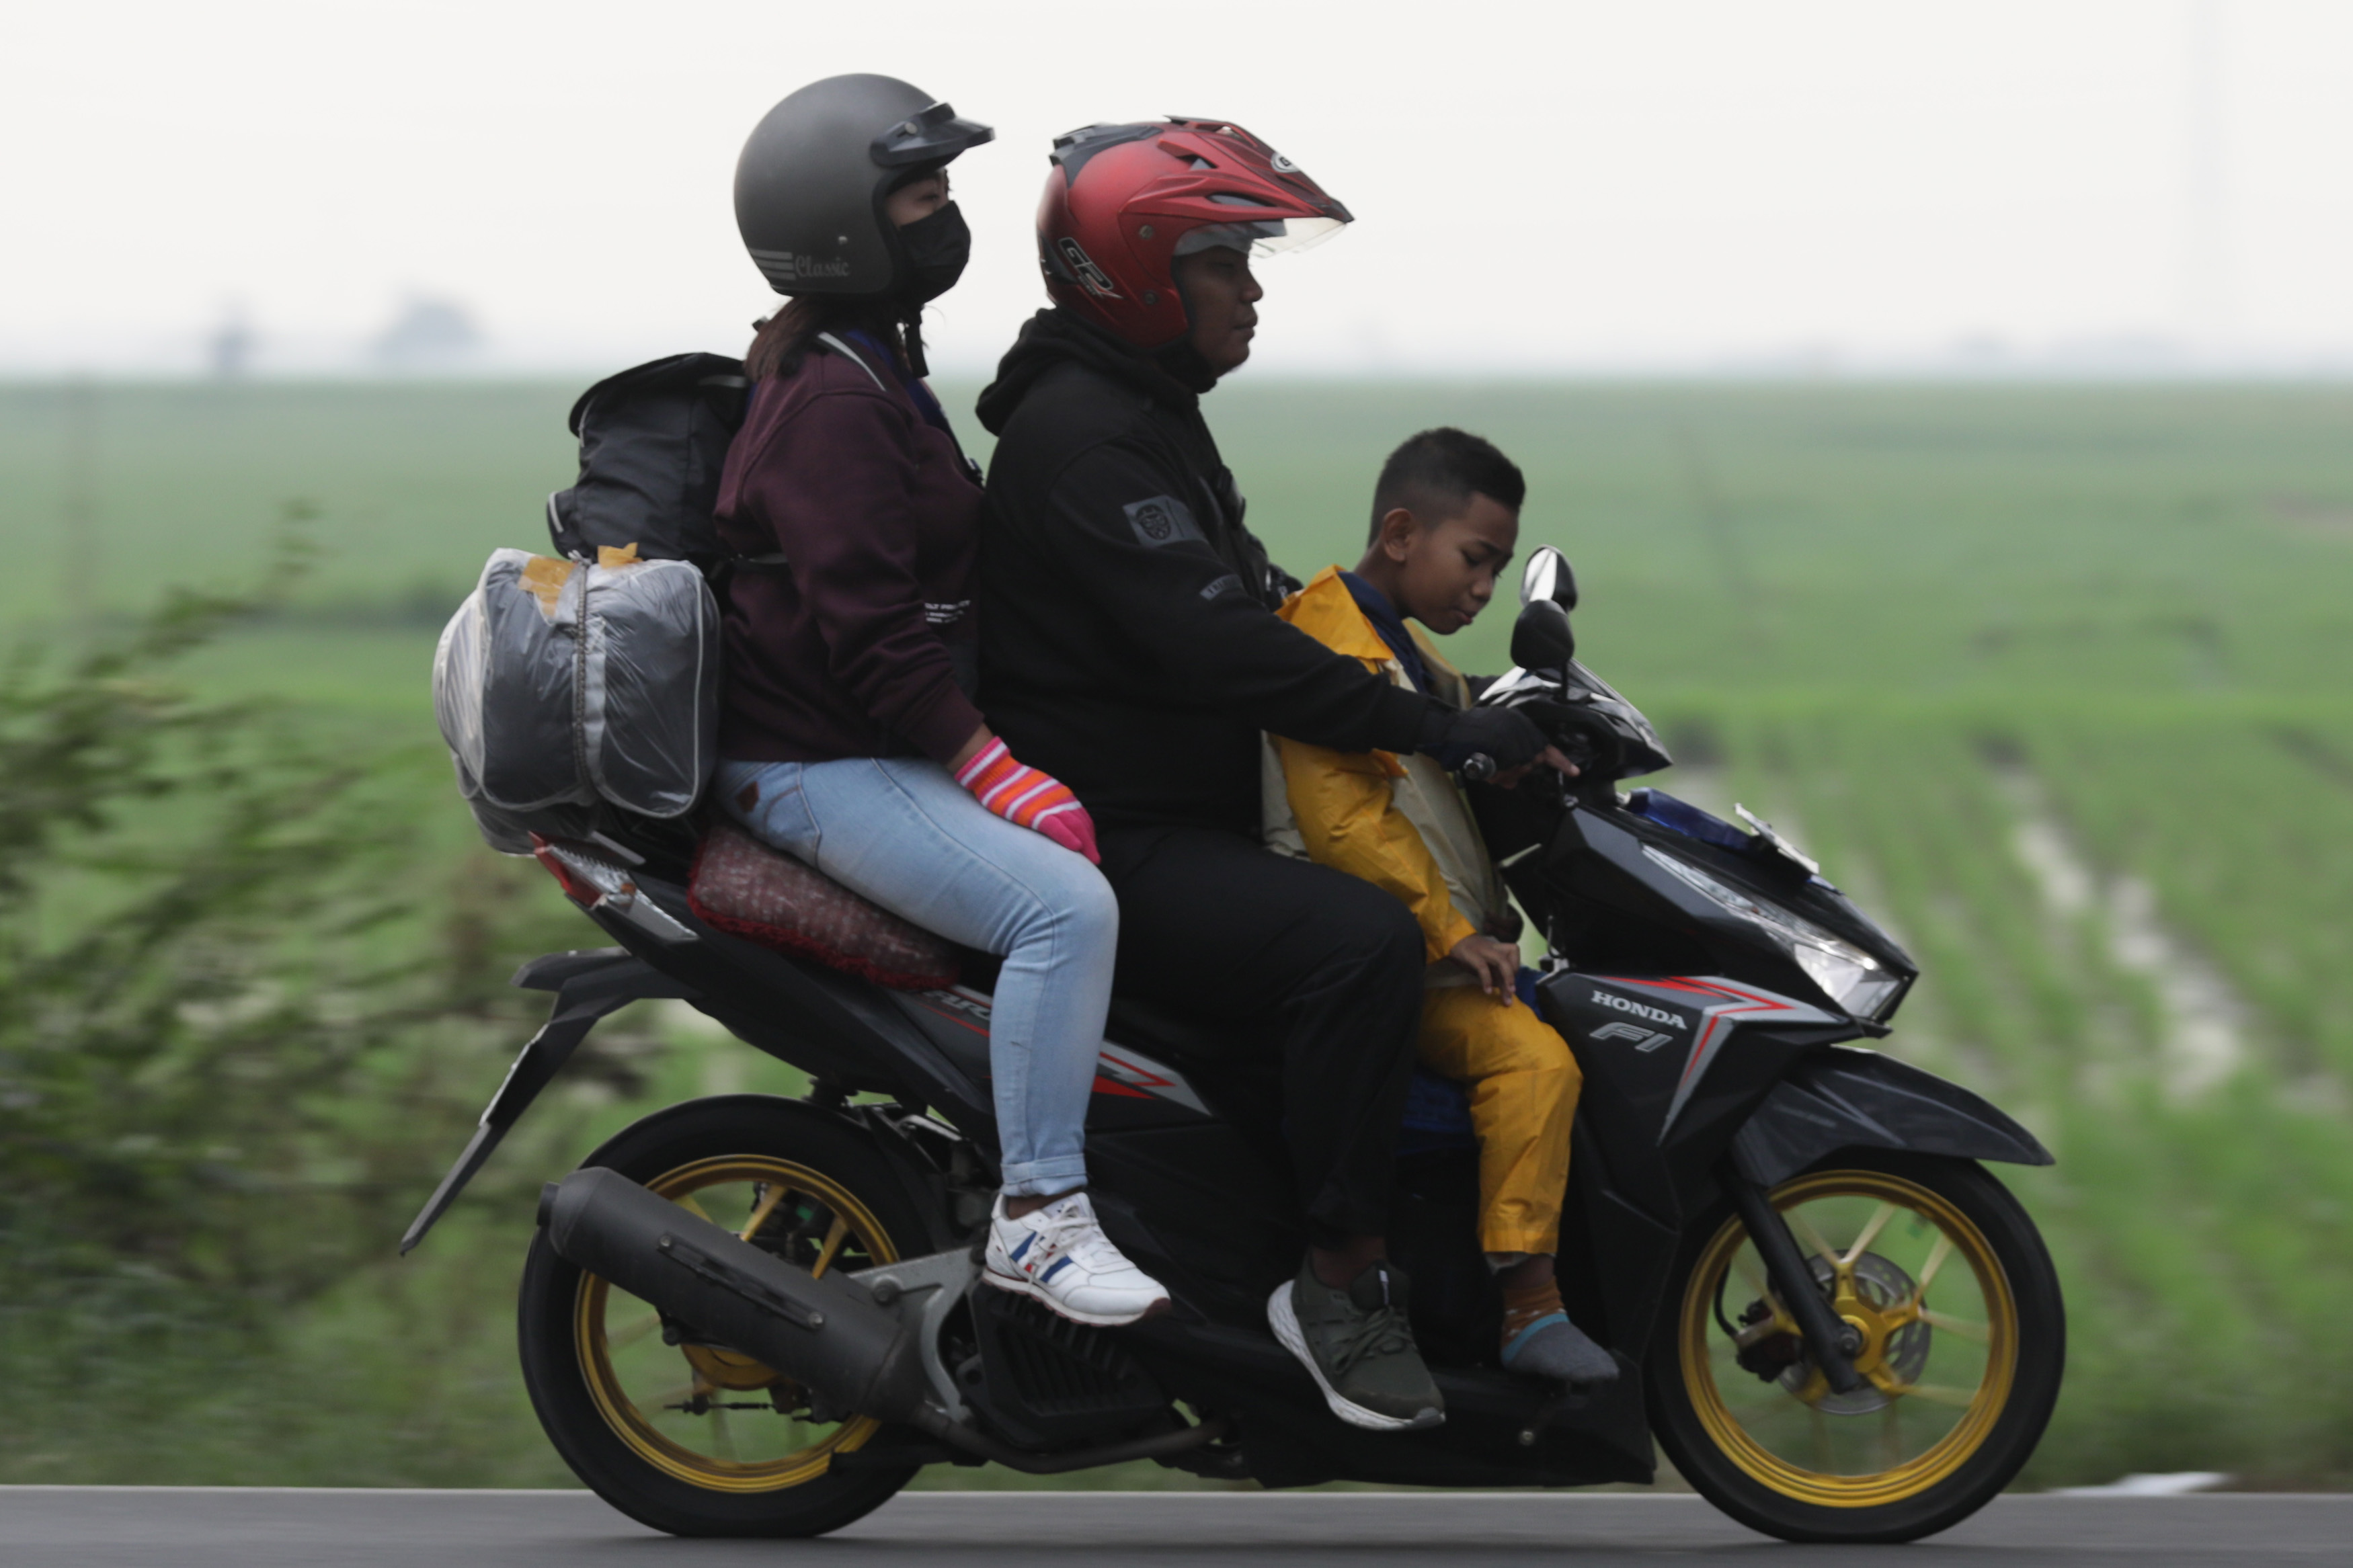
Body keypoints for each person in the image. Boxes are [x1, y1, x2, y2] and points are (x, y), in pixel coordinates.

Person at [972, 119, 1560, 1430]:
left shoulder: (1144, 419)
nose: (1251, 292)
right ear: (1136, 275)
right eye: (1226, 264)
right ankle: (1338, 1281)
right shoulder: (1087, 438)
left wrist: (1447, 690)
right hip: (1116, 831)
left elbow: (1257, 609)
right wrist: (1435, 734)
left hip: (1186, 812)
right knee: (1355, 943)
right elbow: (1221, 648)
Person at [711, 75, 1168, 1329]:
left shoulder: (867, 363)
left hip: (855, 742)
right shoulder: (837, 403)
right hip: (811, 760)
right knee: (1064, 911)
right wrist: (989, 767)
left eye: (946, 191)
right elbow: (869, 634)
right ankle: (1039, 1216)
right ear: (845, 226)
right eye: (922, 195)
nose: (947, 217)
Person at [1263, 427, 1616, 1387]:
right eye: (1475, 560)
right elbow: (1346, 823)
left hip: (1423, 948)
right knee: (1534, 1061)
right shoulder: (1333, 642)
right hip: (1384, 957)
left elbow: (1451, 761)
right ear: (1402, 531)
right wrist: (1454, 929)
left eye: (1498, 571)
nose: (1482, 591)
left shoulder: (1403, 650)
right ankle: (1529, 1307)